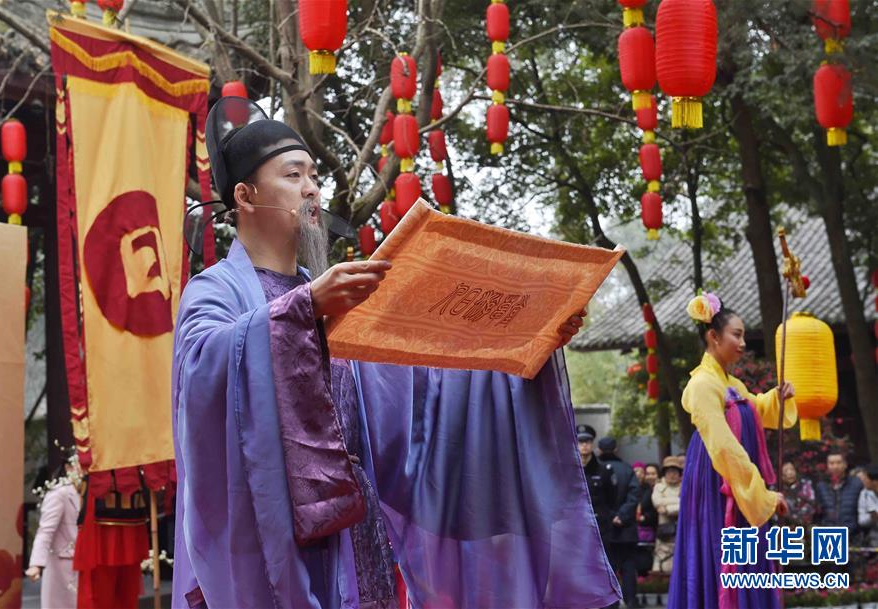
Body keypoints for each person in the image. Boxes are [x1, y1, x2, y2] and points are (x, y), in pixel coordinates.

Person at [171, 98, 621, 609]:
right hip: (273, 552)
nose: (313, 188)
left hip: (358, 546)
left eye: (315, 175)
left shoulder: (338, 303)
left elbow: (423, 401)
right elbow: (203, 374)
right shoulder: (216, 293)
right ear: (245, 195)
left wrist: (530, 343)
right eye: (293, 175)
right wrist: (303, 307)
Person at [667, 292, 796, 609]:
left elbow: (757, 409)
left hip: (735, 484)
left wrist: (777, 397)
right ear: (713, 336)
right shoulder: (702, 385)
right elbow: (724, 447)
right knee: (720, 553)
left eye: (743, 335)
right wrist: (762, 495)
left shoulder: (732, 385)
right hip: (717, 482)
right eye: (736, 334)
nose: (742, 342)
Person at [26, 456, 82, 609]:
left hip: (86, 564)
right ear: (68, 468)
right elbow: (45, 531)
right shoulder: (59, 494)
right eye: (80, 465)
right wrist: (37, 564)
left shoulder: (91, 494)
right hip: (62, 566)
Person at [598, 437, 641, 609]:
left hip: (604, 530)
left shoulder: (597, 470)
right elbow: (634, 495)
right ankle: (631, 602)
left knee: (607, 569)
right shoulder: (627, 469)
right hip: (626, 529)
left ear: (599, 450)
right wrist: (621, 516)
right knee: (629, 568)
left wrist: (610, 516)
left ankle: (610, 604)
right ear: (616, 449)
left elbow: (596, 498)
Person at [577, 425, 618, 547]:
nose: (584, 445)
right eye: (580, 442)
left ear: (593, 444)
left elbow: (612, 497)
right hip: (577, 524)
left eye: (588, 442)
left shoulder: (604, 470)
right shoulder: (569, 471)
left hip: (600, 525)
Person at [815, 451, 863, 533]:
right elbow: (818, 512)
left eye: (839, 463)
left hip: (852, 535)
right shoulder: (821, 486)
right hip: (828, 535)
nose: (835, 466)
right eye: (831, 463)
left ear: (845, 464)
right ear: (827, 465)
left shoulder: (856, 484)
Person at [651, 456, 681, 574]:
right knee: (663, 564)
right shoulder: (659, 487)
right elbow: (657, 502)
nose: (672, 475)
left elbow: (686, 504)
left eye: (675, 471)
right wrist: (677, 502)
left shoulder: (685, 486)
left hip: (681, 530)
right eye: (669, 472)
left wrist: (668, 509)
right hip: (664, 532)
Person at [636, 464, 659, 578]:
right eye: (648, 474)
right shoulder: (643, 489)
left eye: (653, 473)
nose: (650, 476)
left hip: (659, 527)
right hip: (645, 530)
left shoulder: (659, 488)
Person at [782, 461, 817, 529]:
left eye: (792, 469)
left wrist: (797, 518)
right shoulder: (776, 489)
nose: (790, 473)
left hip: (804, 524)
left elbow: (811, 505)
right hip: (785, 526)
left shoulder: (806, 485)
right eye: (786, 470)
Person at [858, 465, 878, 549]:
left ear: (875, 481)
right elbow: (861, 520)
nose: (863, 481)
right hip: (874, 540)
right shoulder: (864, 494)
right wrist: (872, 517)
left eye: (865, 479)